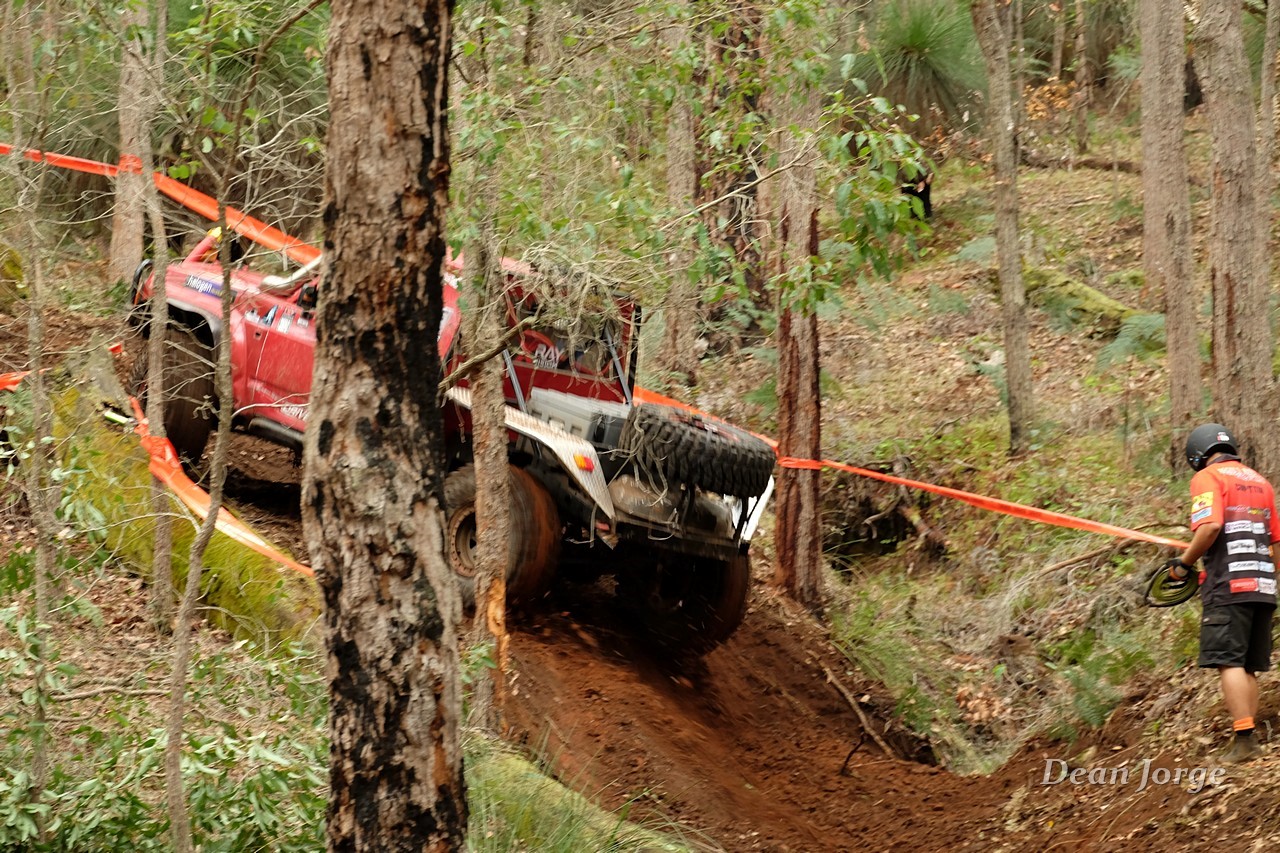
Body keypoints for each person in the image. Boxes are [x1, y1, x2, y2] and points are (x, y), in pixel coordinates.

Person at [1167, 423, 1278, 764]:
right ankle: (1249, 737)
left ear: (1196, 455)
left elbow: (1211, 526)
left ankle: (1244, 741)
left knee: (1228, 661)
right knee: (1249, 666)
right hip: (1264, 586)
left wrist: (1183, 564)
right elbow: (1275, 541)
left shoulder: (1208, 477)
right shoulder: (1260, 481)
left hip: (1229, 584)